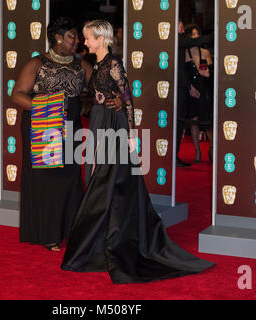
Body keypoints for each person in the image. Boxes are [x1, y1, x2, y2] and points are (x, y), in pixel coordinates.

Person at [61, 20, 215, 284]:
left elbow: (128, 99)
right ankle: (100, 240)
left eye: (88, 38)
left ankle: (112, 241)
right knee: (100, 178)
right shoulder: (97, 65)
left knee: (111, 182)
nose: (84, 43)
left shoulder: (113, 64)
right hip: (99, 120)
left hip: (114, 123)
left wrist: (131, 134)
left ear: (101, 38)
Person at [11, 17, 122, 252]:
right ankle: (47, 233)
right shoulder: (37, 63)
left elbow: (102, 86)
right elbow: (17, 94)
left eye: (77, 36)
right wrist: (47, 106)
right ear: (58, 38)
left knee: (70, 176)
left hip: (70, 122)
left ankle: (72, 230)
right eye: (72, 36)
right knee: (46, 177)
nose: (77, 41)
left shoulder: (80, 65)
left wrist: (119, 97)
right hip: (41, 123)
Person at [176, 20, 213, 167]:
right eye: (180, 24)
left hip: (186, 87)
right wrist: (213, 36)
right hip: (180, 87)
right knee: (181, 121)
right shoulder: (177, 40)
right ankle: (173, 155)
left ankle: (175, 155)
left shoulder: (182, 41)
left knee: (181, 122)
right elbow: (197, 40)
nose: (182, 27)